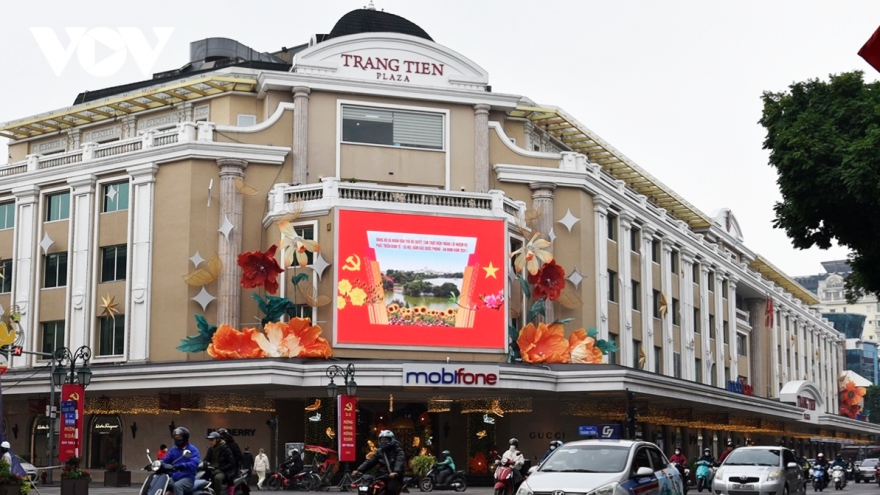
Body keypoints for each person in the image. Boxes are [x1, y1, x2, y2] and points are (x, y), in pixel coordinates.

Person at [352, 430, 406, 495]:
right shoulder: (379, 451)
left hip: (394, 477)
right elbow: (370, 461)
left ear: (391, 439)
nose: (384, 441)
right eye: (382, 440)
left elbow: (399, 462)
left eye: (386, 440)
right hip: (382, 475)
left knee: (391, 490)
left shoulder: (398, 451)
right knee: (371, 487)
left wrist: (396, 472)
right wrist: (359, 470)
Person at [164, 427, 202, 495]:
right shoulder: (174, 449)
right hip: (175, 477)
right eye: (175, 436)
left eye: (178, 437)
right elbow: (166, 459)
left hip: (187, 478)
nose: (176, 439)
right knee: (163, 483)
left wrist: (183, 465)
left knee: (177, 486)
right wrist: (158, 463)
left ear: (185, 438)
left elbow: (194, 463)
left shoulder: (193, 450)